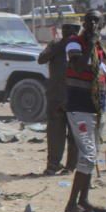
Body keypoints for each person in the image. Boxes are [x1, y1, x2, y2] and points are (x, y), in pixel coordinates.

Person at [62, 10, 106, 212]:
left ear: (101, 24)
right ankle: (71, 204)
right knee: (88, 156)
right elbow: (79, 66)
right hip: (79, 109)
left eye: (96, 20)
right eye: (89, 19)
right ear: (83, 22)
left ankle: (84, 200)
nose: (92, 23)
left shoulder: (101, 50)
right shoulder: (75, 43)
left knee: (91, 155)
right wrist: (90, 41)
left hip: (96, 109)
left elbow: (105, 79)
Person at [37, 23, 80, 175]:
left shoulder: (82, 46)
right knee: (55, 132)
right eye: (66, 29)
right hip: (56, 96)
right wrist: (61, 45)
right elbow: (41, 59)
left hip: (75, 97)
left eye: (73, 30)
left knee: (74, 134)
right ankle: (53, 164)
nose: (69, 33)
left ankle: (70, 166)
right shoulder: (56, 44)